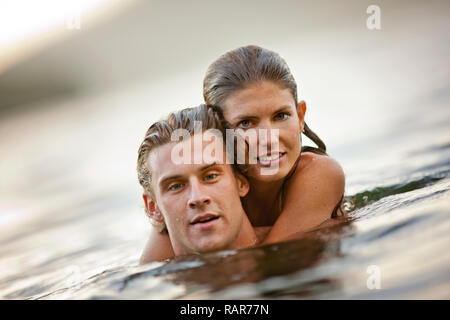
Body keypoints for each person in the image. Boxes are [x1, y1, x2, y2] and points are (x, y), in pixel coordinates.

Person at [202, 45, 345, 244]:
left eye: (281, 116)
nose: (269, 139)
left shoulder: (320, 172)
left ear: (300, 116)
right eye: (245, 123)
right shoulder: (200, 189)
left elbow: (276, 255)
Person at [137, 105, 268, 260]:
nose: (197, 198)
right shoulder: (144, 281)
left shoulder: (300, 243)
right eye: (176, 186)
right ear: (153, 207)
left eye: (210, 176)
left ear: (240, 182)